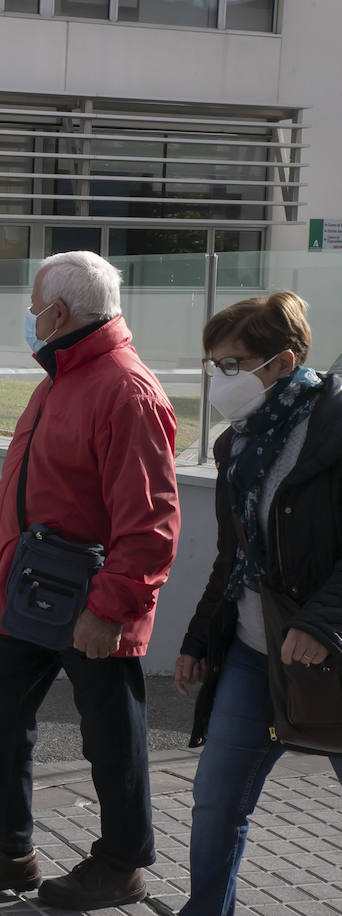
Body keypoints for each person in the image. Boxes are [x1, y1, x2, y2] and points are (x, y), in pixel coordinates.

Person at [0, 251, 181, 910]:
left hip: (90, 601)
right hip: (31, 594)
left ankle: (122, 863)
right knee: (0, 712)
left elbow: (151, 519)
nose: (29, 315)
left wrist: (112, 609)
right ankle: (6, 852)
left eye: (34, 303)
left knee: (110, 734)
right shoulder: (63, 376)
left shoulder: (124, 388)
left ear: (59, 313)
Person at [173, 291, 342, 916]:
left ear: (284, 359)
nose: (222, 379)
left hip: (331, 653)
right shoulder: (238, 443)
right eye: (214, 364)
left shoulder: (334, 426)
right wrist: (197, 639)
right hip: (251, 650)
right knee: (217, 797)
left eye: (233, 364)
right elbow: (232, 554)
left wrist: (323, 622)